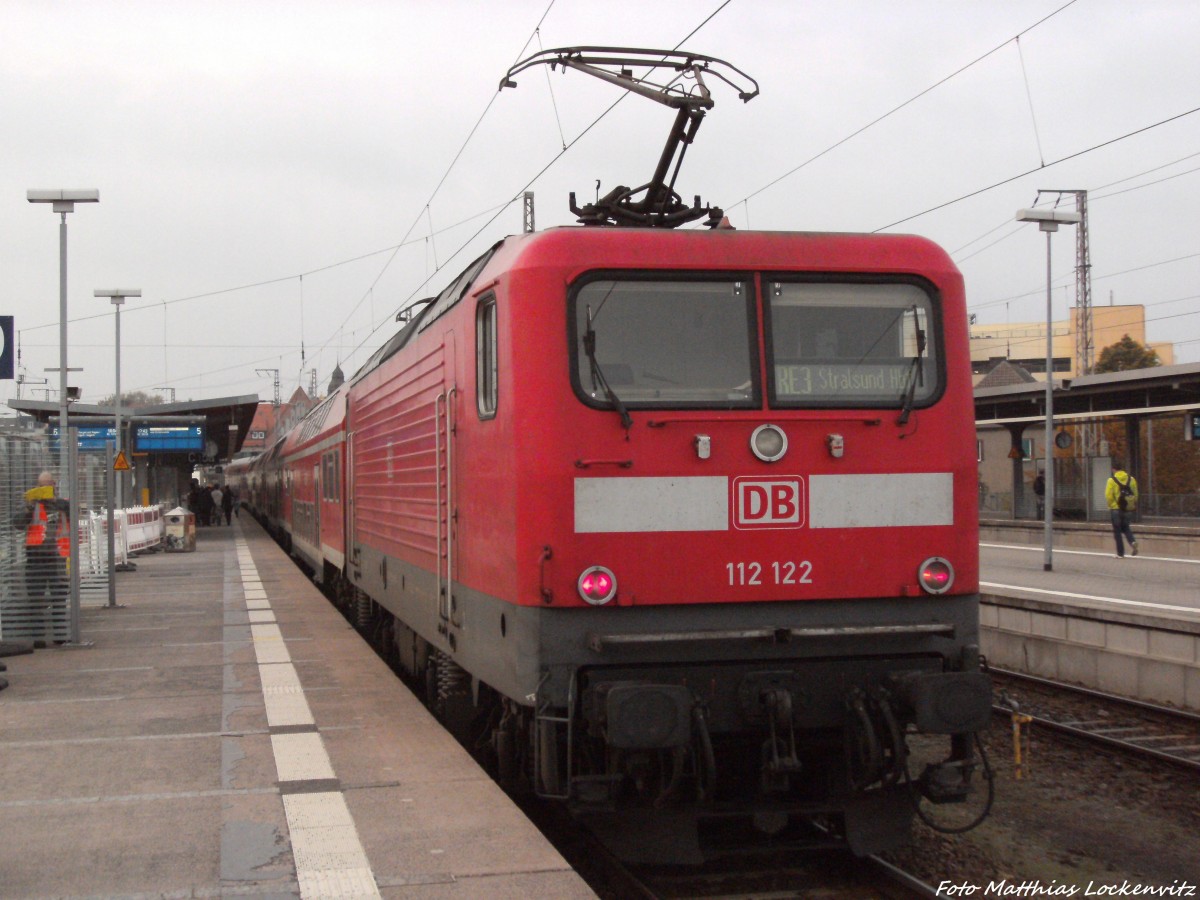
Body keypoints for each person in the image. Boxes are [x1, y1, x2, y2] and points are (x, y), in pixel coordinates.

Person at [16, 471, 70, 637]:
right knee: (35, 600)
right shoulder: (32, 506)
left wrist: (54, 501)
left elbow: (73, 512)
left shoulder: (63, 504)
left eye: (46, 485)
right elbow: (17, 524)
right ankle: (38, 637)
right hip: (35, 558)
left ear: (53, 485)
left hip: (57, 557)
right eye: (40, 486)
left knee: (59, 600)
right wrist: (28, 509)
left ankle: (60, 635)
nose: (43, 488)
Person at [1105, 460, 1139, 558]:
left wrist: (1112, 505)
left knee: (1117, 530)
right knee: (1126, 527)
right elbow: (1135, 494)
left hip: (1116, 509)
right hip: (1128, 509)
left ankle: (1120, 553)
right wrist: (1132, 504)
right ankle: (1132, 542)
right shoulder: (1131, 479)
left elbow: (1108, 496)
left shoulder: (1111, 480)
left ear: (1113, 469)